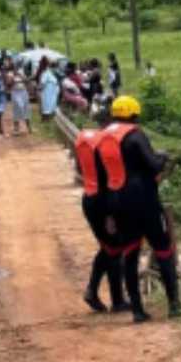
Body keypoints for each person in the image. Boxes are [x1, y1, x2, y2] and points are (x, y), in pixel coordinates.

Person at [98, 96, 181, 323]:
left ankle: (137, 309)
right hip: (143, 200)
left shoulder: (104, 137)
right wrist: (162, 157)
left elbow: (102, 175)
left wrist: (108, 212)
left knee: (131, 253)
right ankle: (174, 304)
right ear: (134, 114)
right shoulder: (135, 135)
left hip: (117, 201)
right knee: (163, 248)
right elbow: (153, 165)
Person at [74, 126, 130, 314]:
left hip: (89, 198)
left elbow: (79, 170)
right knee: (114, 250)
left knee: (108, 248)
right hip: (102, 203)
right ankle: (118, 301)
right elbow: (109, 184)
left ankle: (92, 291)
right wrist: (110, 215)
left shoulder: (84, 142)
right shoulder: (104, 147)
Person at [9, 68, 32, 135]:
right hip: (15, 93)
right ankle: (16, 129)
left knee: (26, 109)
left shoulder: (22, 74)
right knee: (17, 110)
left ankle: (29, 128)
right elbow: (9, 83)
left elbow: (27, 81)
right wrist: (13, 79)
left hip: (23, 93)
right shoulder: (10, 74)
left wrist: (23, 78)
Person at [37, 56, 59, 121]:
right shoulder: (47, 73)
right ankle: (45, 118)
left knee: (48, 104)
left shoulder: (49, 73)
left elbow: (43, 83)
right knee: (47, 105)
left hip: (50, 91)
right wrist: (40, 88)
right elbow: (42, 83)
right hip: (48, 91)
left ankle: (47, 118)